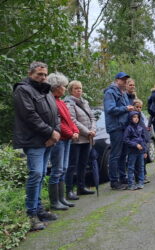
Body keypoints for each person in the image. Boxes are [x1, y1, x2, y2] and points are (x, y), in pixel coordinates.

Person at [13, 61, 59, 230]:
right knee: (36, 174)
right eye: (39, 74)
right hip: (33, 140)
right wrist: (50, 133)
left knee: (41, 176)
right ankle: (31, 214)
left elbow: (56, 114)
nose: (43, 77)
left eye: (45, 74)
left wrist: (56, 132)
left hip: (48, 139)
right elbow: (30, 116)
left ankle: (39, 210)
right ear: (30, 73)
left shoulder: (45, 89)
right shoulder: (22, 90)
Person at [47, 73, 79, 211]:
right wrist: (71, 133)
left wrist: (75, 130)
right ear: (56, 87)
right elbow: (58, 123)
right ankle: (55, 201)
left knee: (63, 169)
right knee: (57, 170)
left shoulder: (60, 101)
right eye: (64, 86)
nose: (65, 89)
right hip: (59, 140)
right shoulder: (52, 102)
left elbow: (69, 120)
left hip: (66, 140)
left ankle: (62, 199)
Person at [64, 80, 97, 198]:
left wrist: (93, 130)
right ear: (71, 90)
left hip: (88, 138)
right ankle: (68, 190)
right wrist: (87, 131)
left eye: (80, 88)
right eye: (76, 88)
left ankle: (81, 187)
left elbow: (92, 117)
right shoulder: (68, 103)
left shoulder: (85, 102)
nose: (79, 90)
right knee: (72, 165)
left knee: (83, 163)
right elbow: (72, 120)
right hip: (76, 139)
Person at [104, 72, 135, 189]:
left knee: (123, 154)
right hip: (115, 127)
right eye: (123, 80)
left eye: (126, 80)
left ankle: (123, 177)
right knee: (115, 155)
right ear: (117, 80)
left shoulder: (123, 93)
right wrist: (126, 108)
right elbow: (110, 109)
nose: (125, 82)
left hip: (124, 127)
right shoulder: (110, 92)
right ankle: (114, 181)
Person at [123, 111, 147, 190]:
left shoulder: (140, 128)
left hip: (140, 152)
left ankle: (141, 182)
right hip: (132, 152)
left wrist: (145, 150)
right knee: (131, 168)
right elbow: (126, 140)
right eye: (134, 117)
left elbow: (143, 139)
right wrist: (135, 145)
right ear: (130, 118)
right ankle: (131, 183)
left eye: (137, 117)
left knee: (141, 167)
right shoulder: (128, 128)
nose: (136, 119)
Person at [133, 99, 150, 184]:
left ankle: (143, 175)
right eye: (137, 107)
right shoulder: (134, 118)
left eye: (140, 107)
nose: (139, 108)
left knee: (144, 158)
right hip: (138, 141)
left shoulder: (141, 116)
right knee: (138, 160)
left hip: (144, 140)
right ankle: (138, 177)